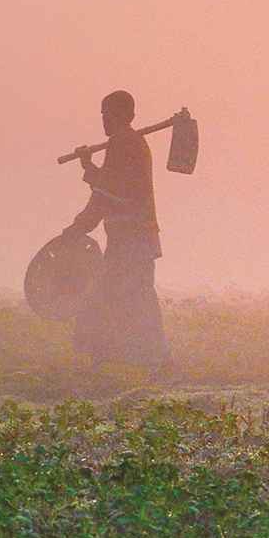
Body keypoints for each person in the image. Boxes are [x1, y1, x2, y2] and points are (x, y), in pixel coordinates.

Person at [60, 88, 169, 371]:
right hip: (130, 239)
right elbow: (110, 186)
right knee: (132, 298)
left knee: (108, 299)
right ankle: (141, 359)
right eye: (103, 115)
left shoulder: (123, 144)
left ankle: (117, 360)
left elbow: (105, 196)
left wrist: (78, 228)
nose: (104, 120)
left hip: (132, 239)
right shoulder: (127, 143)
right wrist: (88, 165)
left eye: (107, 114)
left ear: (123, 115)